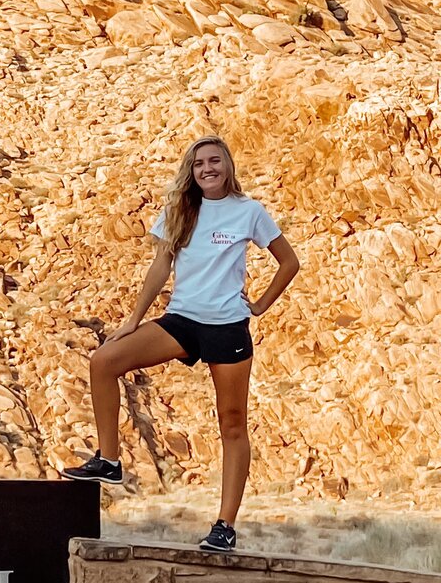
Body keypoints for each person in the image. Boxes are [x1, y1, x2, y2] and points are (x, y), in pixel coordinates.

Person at [62, 136, 300, 551]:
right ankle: (109, 460)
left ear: (227, 165)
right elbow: (160, 268)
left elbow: (289, 261)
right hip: (182, 321)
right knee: (104, 361)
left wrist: (260, 303)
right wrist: (134, 319)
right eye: (199, 163)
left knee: (231, 423)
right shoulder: (180, 210)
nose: (207, 168)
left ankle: (224, 526)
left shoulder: (250, 212)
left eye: (215, 161)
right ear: (191, 171)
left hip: (227, 328)